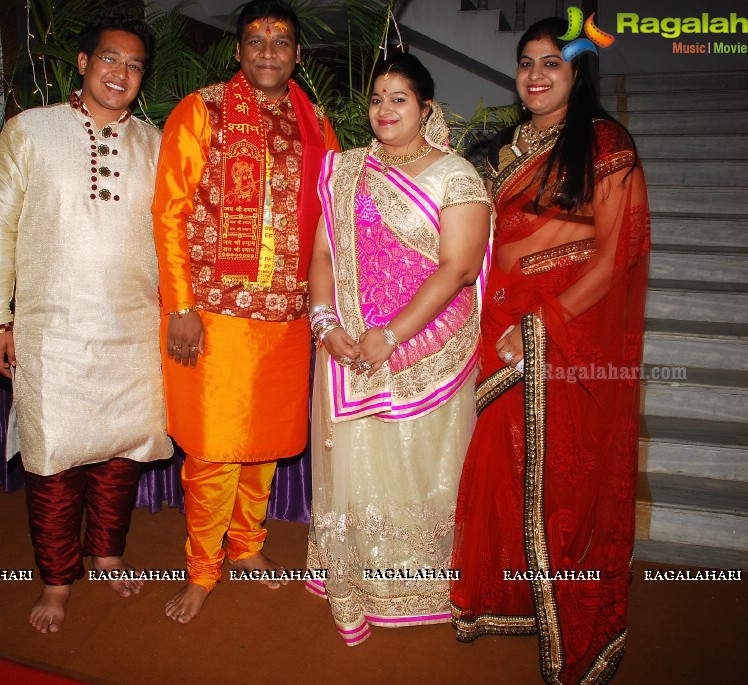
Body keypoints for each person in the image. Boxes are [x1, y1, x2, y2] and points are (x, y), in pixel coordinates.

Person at [449, 17, 650, 684]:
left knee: (562, 479)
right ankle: (508, 599)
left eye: (551, 64)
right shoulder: (506, 149)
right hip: (498, 326)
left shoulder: (604, 143)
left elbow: (614, 255)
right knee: (499, 469)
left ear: (575, 75)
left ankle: (573, 619)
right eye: (526, 63)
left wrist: (541, 320)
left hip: (562, 336)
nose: (535, 75)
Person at [0, 13, 172, 634]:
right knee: (54, 460)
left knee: (122, 454)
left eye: (135, 65)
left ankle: (108, 553)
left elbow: (173, 237)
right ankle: (57, 582)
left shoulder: (157, 143)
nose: (122, 73)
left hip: (135, 329)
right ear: (83, 63)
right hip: (51, 329)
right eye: (111, 59)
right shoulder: (30, 132)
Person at [152, 0, 339, 623]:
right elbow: (170, 212)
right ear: (237, 51)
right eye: (254, 40)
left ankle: (248, 545)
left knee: (261, 446)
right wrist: (181, 304)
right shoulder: (201, 110)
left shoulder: (314, 121)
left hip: (286, 315)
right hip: (214, 313)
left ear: (296, 55)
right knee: (214, 447)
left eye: (280, 40)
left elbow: (333, 216)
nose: (266, 50)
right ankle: (202, 569)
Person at [303, 53, 491, 646]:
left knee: (424, 462)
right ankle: (356, 582)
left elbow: (459, 268)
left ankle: (425, 584)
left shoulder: (456, 175)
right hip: (349, 344)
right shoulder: (346, 171)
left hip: (426, 343)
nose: (385, 110)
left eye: (399, 98)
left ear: (426, 108)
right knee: (356, 467)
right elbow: (324, 257)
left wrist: (394, 334)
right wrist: (324, 322)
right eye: (378, 98)